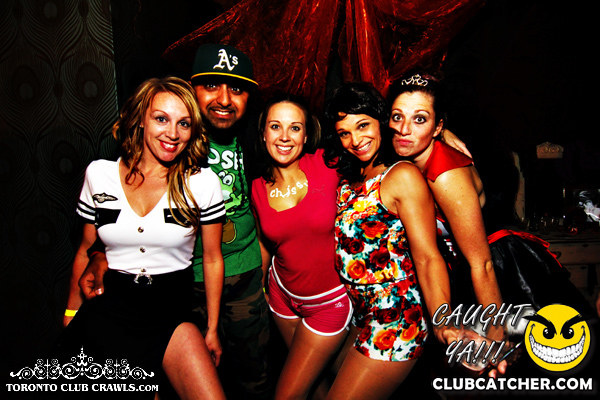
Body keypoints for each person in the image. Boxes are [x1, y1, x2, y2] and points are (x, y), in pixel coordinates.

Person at [79, 44, 271, 399]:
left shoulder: (255, 139)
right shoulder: (149, 148)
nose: (224, 99)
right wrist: (100, 254)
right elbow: (113, 219)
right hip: (179, 289)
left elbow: (268, 201)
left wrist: (263, 263)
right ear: (190, 89)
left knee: (251, 375)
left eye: (237, 89)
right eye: (211, 86)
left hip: (242, 279)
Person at [61, 76, 226, 399]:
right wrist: (70, 313)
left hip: (171, 313)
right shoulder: (100, 175)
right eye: (161, 119)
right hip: (110, 310)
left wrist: (212, 328)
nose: (173, 133)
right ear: (140, 120)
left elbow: (211, 259)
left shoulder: (202, 182)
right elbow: (85, 250)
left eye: (184, 123)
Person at [321, 82, 456, 399]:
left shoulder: (401, 176)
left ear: (381, 121)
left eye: (363, 125)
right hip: (361, 315)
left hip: (397, 317)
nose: (355, 140)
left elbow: (428, 257)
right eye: (344, 133)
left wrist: (442, 321)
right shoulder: (352, 179)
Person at [250, 94, 352, 399]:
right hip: (281, 298)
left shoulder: (328, 162)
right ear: (263, 133)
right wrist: (258, 288)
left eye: (294, 128)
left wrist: (441, 138)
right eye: (275, 126)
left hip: (330, 302)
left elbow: (374, 149)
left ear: (306, 135)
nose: (284, 136)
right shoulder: (256, 186)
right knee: (314, 385)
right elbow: (265, 241)